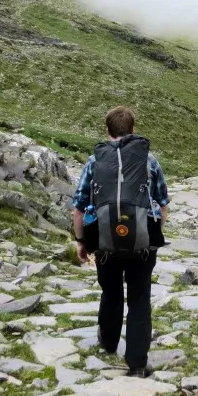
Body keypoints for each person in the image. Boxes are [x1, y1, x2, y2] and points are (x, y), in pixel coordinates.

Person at [72, 106, 170, 377]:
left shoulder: (95, 161)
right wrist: (152, 235)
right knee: (139, 298)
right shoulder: (149, 162)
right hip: (143, 245)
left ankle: (108, 343)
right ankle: (137, 362)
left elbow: (78, 209)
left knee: (111, 292)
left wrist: (81, 241)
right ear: (133, 130)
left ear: (108, 130)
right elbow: (162, 205)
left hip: (105, 242)